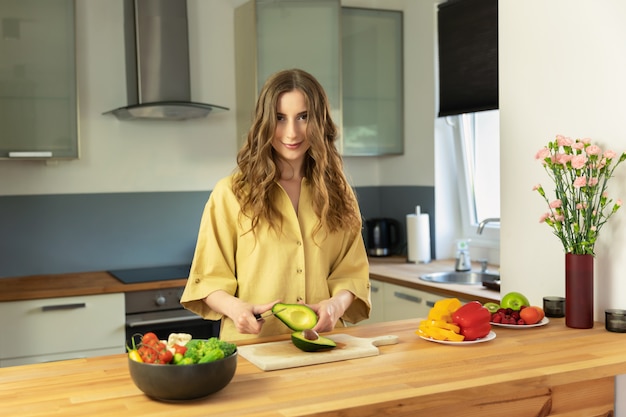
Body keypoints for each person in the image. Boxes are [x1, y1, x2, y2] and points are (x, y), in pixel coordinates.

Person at [180, 68, 371, 342]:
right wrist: (236, 309)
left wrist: (337, 304)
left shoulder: (339, 194)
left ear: (319, 121)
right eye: (280, 118)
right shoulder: (230, 194)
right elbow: (208, 280)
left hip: (325, 346)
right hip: (253, 351)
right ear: (264, 122)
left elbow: (351, 272)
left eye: (303, 117)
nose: (291, 132)